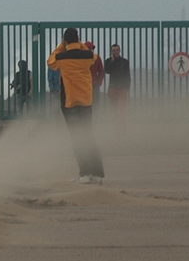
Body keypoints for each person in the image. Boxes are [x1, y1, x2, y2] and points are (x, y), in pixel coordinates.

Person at [47, 28, 104, 184]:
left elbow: (50, 61)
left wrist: (61, 46)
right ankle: (97, 174)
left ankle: (84, 173)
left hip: (70, 102)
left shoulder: (62, 57)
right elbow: (94, 57)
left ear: (65, 41)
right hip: (86, 101)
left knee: (76, 138)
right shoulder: (87, 55)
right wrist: (81, 45)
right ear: (78, 40)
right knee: (89, 136)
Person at [104, 43, 131, 132]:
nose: (115, 52)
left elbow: (128, 74)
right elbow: (107, 71)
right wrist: (112, 61)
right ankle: (117, 128)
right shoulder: (108, 61)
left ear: (119, 51)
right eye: (113, 50)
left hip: (122, 88)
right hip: (112, 88)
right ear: (111, 52)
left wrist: (127, 87)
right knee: (114, 109)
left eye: (117, 50)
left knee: (122, 109)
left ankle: (123, 128)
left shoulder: (124, 61)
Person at [84, 41, 105, 106]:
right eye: (90, 49)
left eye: (92, 49)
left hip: (93, 84)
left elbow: (101, 71)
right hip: (85, 84)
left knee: (94, 104)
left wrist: (99, 82)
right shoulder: (83, 59)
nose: (92, 50)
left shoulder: (97, 58)